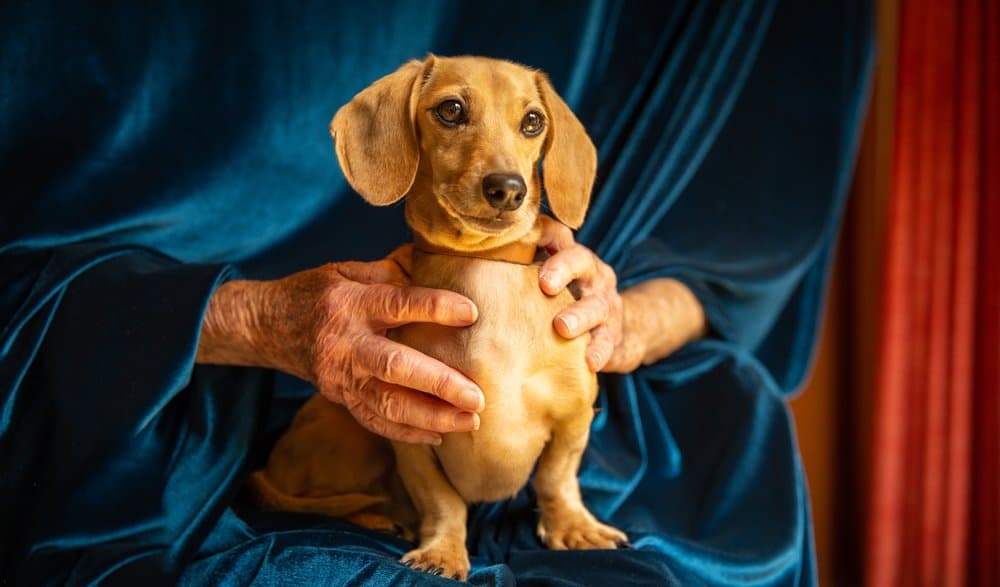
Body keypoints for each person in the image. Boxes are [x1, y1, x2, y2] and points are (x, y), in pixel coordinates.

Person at [0, 2, 873, 584]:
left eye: (525, 131)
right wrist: (252, 318)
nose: (503, 170)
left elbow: (746, 237)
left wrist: (629, 323)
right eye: (453, 114)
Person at [196, 219, 707, 446]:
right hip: (219, 419)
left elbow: (735, 280)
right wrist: (256, 317)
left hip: (609, 447)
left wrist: (628, 321)